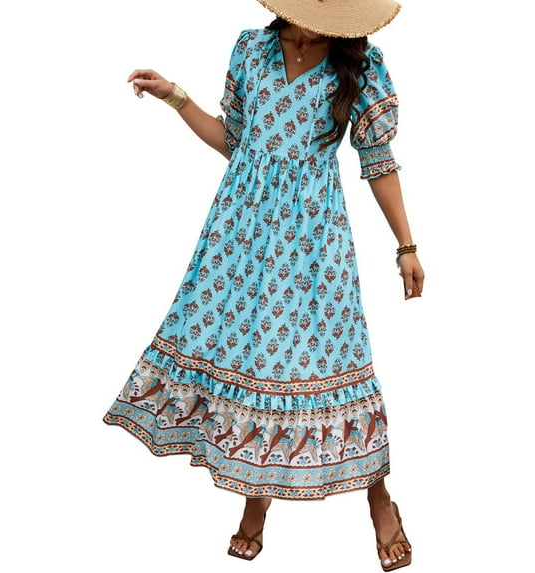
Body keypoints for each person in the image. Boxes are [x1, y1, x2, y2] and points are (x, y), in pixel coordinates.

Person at [103, 0, 423, 570]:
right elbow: (236, 141)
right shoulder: (251, 48)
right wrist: (175, 96)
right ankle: (256, 502)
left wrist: (406, 246)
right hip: (240, 232)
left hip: (313, 238)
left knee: (335, 362)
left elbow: (379, 161)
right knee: (254, 362)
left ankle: (380, 500)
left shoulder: (361, 64)